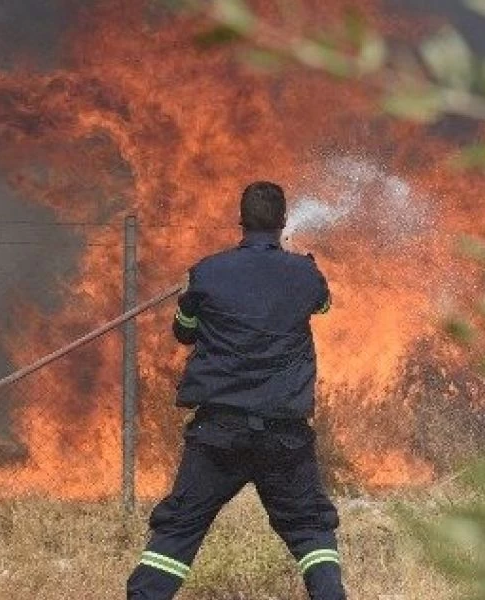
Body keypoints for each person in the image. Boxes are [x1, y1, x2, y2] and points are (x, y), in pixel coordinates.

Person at [126, 181, 345, 599]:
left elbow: (184, 333)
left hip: (218, 433)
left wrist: (190, 299)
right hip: (284, 434)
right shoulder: (304, 273)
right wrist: (304, 270)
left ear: (240, 221)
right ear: (283, 222)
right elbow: (323, 305)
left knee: (180, 528)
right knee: (310, 528)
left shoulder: (206, 273)